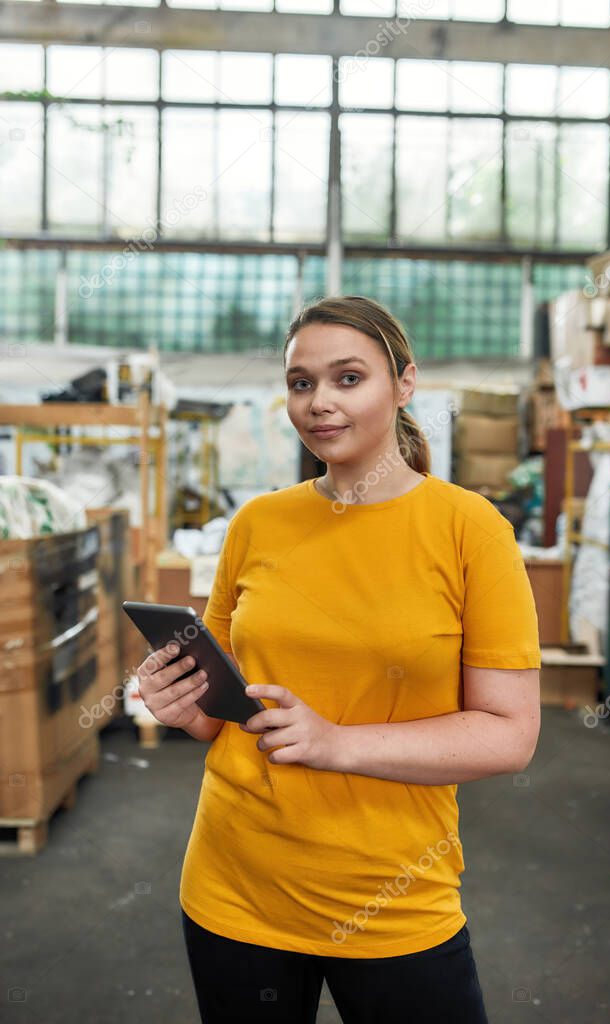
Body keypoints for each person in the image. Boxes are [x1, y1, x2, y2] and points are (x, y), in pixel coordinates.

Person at [137, 295, 541, 1024]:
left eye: (347, 378)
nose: (318, 402)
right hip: (235, 887)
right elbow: (220, 715)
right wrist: (179, 702)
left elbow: (509, 734)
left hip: (392, 899)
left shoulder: (469, 530)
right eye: (300, 383)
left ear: (404, 383)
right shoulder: (258, 523)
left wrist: (337, 743)